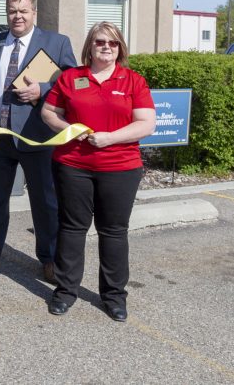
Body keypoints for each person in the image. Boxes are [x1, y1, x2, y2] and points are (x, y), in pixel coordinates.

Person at [40, 22, 155, 322]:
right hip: (72, 165)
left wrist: (110, 137)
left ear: (121, 48)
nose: (106, 47)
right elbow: (48, 112)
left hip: (120, 168)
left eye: (113, 43)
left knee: (114, 232)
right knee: (72, 228)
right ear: (89, 46)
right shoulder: (71, 77)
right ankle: (65, 291)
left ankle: (114, 296)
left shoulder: (133, 81)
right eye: (100, 41)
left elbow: (146, 123)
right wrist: (69, 130)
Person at [0, 0, 76, 282]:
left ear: (34, 13)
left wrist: (43, 91)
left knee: (45, 201)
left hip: (38, 136)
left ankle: (48, 258)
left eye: (23, 11)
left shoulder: (56, 43)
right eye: (12, 11)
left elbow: (71, 83)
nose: (17, 16)